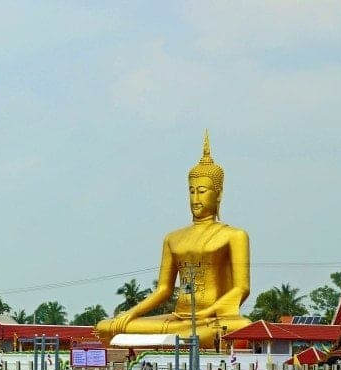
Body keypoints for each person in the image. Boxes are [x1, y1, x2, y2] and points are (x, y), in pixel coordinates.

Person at [96, 131, 252, 345]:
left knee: (240, 328)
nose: (196, 198)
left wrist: (207, 314)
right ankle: (174, 337)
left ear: (219, 194)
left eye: (202, 191)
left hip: (214, 319)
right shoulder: (173, 238)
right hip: (176, 319)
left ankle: (184, 337)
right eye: (192, 191)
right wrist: (129, 315)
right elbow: (164, 290)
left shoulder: (234, 235)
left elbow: (241, 288)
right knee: (106, 327)